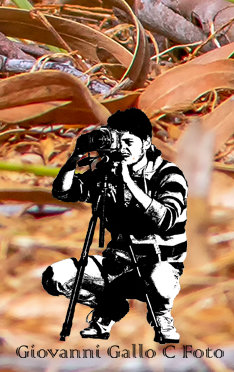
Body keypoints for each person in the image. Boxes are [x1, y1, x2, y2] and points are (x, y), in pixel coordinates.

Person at [40, 107, 186, 343]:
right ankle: (110, 308)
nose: (123, 149)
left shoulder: (168, 175)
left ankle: (162, 318)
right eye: (118, 142)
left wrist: (129, 182)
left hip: (158, 263)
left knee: (159, 277)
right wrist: (74, 159)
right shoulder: (108, 173)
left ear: (146, 142)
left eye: (129, 142)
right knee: (56, 277)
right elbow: (64, 192)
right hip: (117, 264)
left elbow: (165, 219)